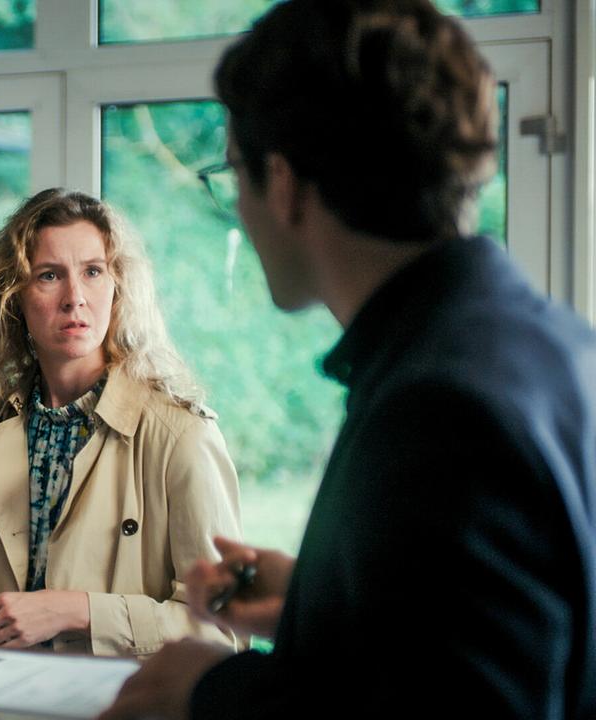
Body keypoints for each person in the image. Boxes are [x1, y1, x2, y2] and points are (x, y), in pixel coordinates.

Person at [100, 1, 596, 717]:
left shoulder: (442, 408)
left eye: (232, 171)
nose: (236, 204)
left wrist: (210, 689)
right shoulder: (555, 347)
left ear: (284, 183)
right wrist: (320, 601)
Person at [0, 188, 243, 656]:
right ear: (13, 296)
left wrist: (79, 611)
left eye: (93, 272)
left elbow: (224, 631)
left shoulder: (182, 436)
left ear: (118, 288)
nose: (75, 298)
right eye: (49, 275)